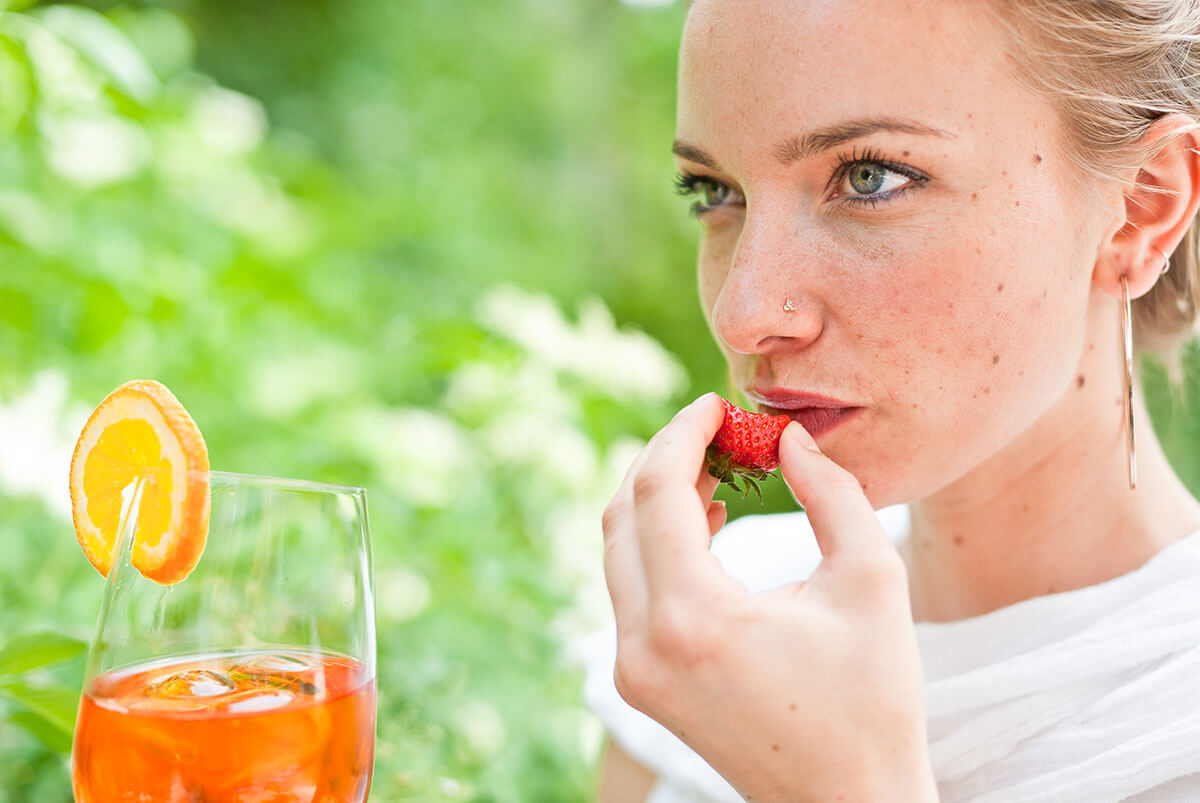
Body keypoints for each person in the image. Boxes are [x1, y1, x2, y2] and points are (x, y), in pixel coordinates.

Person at [584, 0, 1200, 800]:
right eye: (714, 191)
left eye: (869, 177)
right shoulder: (711, 622)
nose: (744, 312)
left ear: (1142, 208)